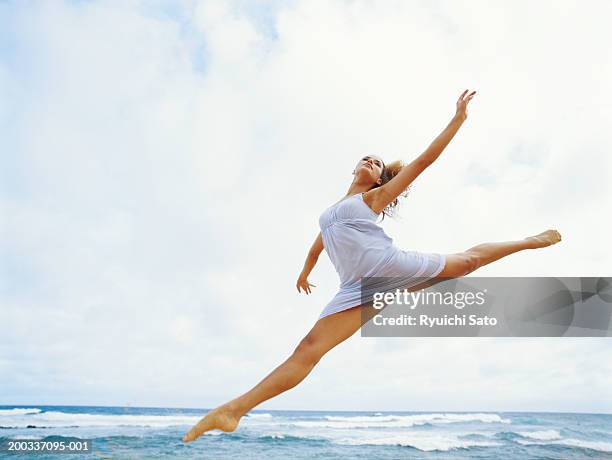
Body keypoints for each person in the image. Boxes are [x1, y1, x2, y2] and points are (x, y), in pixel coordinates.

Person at [182, 89, 562, 442]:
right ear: (354, 168)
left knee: (467, 262)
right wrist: (304, 272)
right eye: (366, 157)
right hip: (356, 289)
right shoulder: (330, 213)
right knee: (308, 349)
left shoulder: (373, 199)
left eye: (378, 163)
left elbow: (426, 160)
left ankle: (531, 241)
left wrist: (458, 119)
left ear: (380, 179)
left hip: (389, 265)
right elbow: (317, 247)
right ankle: (234, 410)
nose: (370, 161)